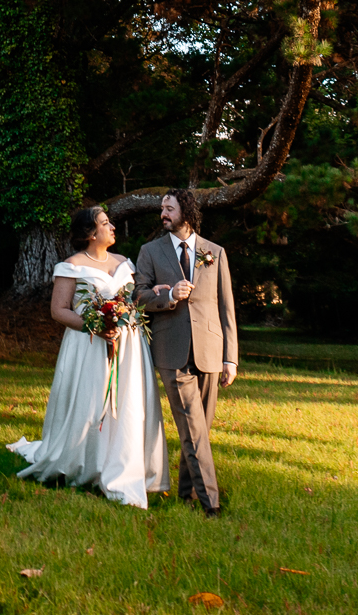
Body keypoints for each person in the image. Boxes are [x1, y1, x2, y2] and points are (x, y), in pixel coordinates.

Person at [7, 205, 168, 508]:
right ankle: (83, 459)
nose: (112, 227)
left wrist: (150, 295)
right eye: (106, 223)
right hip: (88, 347)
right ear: (91, 233)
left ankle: (125, 464)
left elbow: (134, 300)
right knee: (91, 404)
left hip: (128, 347)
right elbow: (59, 310)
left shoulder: (124, 263)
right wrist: (95, 326)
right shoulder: (72, 266)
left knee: (127, 404)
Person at [135, 188, 238, 516]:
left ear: (186, 212)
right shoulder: (150, 251)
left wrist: (230, 357)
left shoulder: (215, 252)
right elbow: (137, 297)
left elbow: (226, 307)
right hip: (171, 350)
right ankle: (212, 503)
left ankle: (186, 494)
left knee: (199, 430)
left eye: (169, 208)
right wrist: (168, 297)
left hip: (210, 350)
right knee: (193, 426)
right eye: (161, 208)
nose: (163, 213)